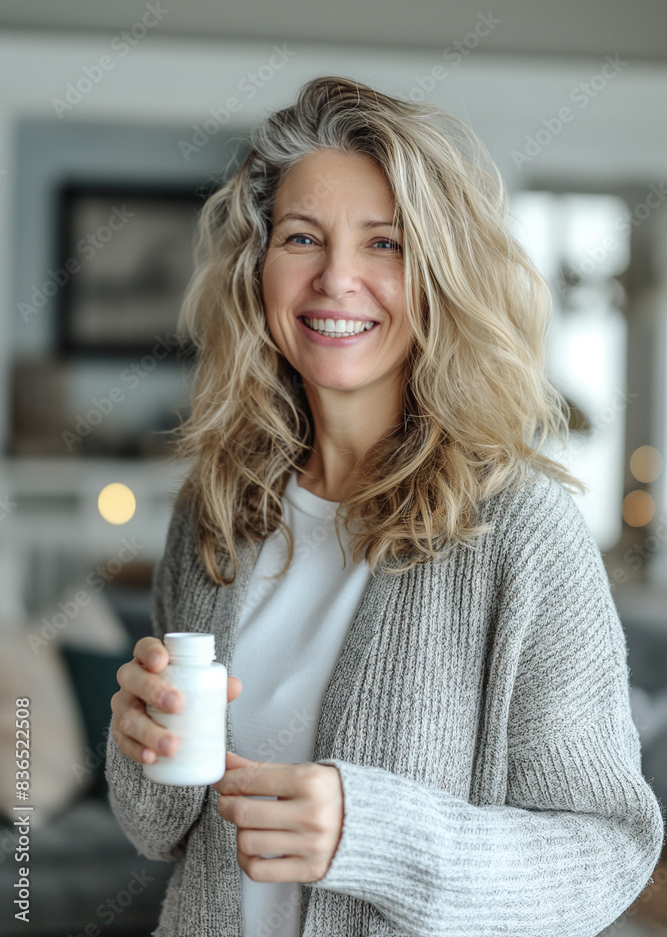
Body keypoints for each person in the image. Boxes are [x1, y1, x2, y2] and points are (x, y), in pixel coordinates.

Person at [106, 75, 664, 937]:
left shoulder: (520, 530)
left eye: (384, 244)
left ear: (439, 274)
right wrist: (142, 744)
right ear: (259, 269)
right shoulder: (216, 510)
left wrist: (370, 834)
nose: (336, 278)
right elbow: (158, 831)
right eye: (301, 237)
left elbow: (606, 852)